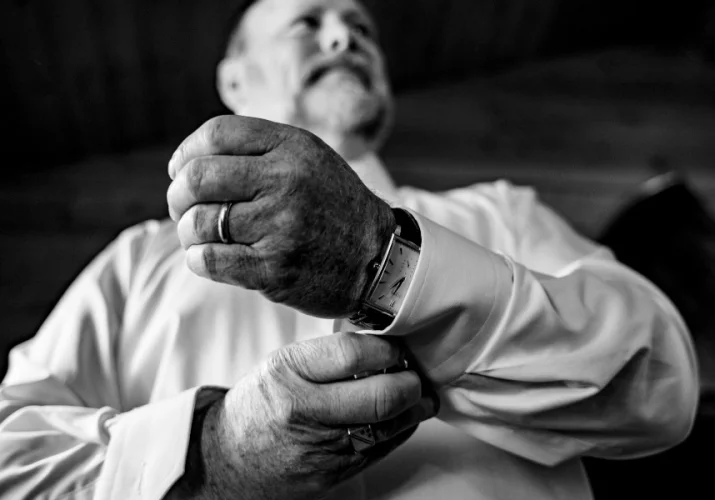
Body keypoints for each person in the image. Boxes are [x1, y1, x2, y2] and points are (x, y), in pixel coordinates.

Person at [0, 0, 698, 498]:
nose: (343, 40)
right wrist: (211, 456)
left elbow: (660, 383)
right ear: (235, 82)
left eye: (361, 28)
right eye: (308, 21)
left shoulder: (501, 212)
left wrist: (378, 261)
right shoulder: (135, 263)